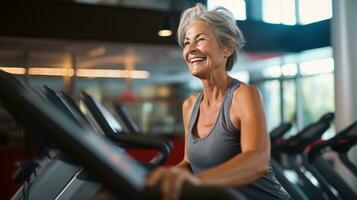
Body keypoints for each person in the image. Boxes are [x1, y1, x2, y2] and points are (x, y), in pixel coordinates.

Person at [146, 3, 290, 200]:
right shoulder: (189, 106)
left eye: (200, 39)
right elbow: (189, 162)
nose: (191, 49)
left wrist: (198, 182)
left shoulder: (243, 95)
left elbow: (257, 161)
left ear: (228, 48)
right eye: (187, 42)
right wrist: (170, 176)